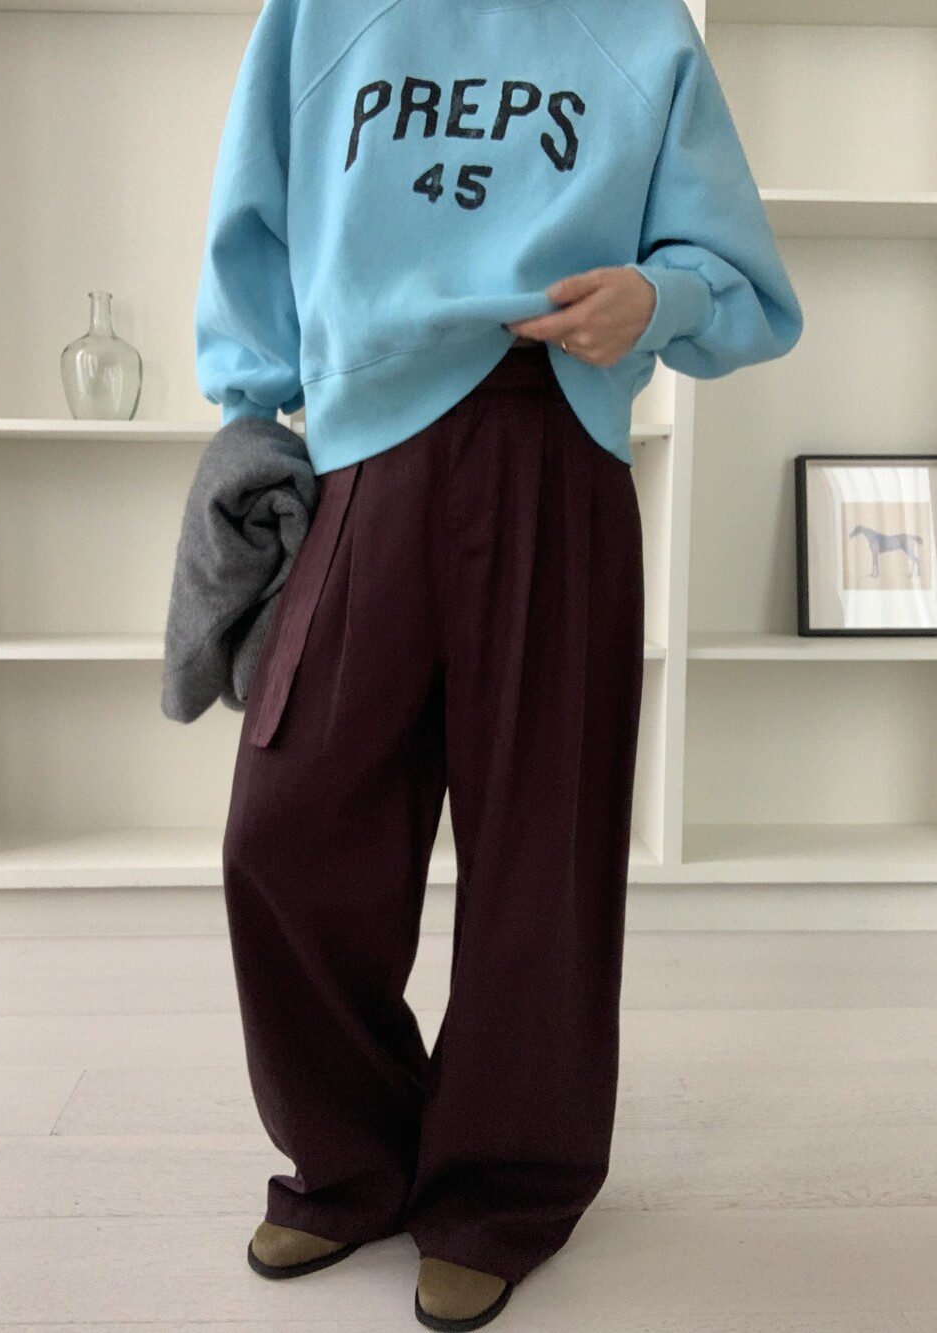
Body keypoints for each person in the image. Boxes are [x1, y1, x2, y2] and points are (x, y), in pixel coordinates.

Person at [194, 0, 804, 1327]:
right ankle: (351, 1154)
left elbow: (742, 280)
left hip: (555, 449)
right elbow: (255, 219)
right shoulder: (320, 15)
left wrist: (658, 297)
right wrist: (251, 407)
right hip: (364, 460)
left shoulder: (638, 29)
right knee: (287, 828)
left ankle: (505, 1186)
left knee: (545, 853)